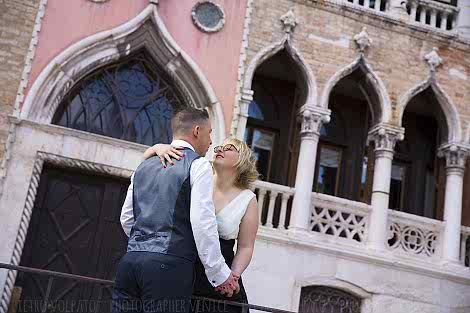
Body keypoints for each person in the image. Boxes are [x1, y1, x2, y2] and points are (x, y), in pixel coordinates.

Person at [112, 107, 239, 313]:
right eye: (209, 134)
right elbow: (202, 222)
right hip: (169, 266)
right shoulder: (198, 165)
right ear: (197, 131)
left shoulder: (144, 165)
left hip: (130, 262)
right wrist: (219, 273)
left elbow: (127, 218)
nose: (210, 142)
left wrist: (143, 244)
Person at [143, 137, 259, 313]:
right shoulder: (198, 175)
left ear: (242, 159)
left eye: (229, 148)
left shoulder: (248, 198)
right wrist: (157, 148)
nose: (219, 149)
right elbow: (149, 162)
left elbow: (245, 247)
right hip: (183, 268)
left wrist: (231, 277)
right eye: (219, 146)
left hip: (220, 279)